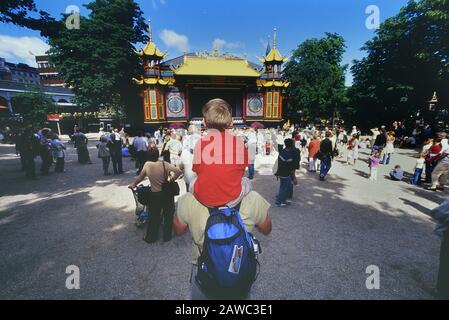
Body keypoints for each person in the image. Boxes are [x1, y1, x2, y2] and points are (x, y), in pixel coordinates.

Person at [173, 190, 272, 300]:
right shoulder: (253, 198)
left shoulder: (188, 199)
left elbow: (178, 230)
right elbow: (266, 229)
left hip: (204, 268)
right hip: (239, 271)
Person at [191, 99, 250, 209]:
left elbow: (197, 171)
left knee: (192, 182)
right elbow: (241, 172)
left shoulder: (200, 143)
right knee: (247, 181)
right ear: (231, 121)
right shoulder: (239, 142)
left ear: (204, 122)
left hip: (205, 199)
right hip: (232, 198)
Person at [129, 147, 182, 243]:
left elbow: (140, 178)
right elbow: (179, 171)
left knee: (154, 216)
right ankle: (167, 236)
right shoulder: (164, 164)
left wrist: (133, 184)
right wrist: (172, 179)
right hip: (167, 194)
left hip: (155, 194)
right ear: (158, 155)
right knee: (168, 215)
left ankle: (151, 237)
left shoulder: (147, 165)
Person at [274, 138, 297, 207]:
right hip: (286, 173)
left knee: (282, 186)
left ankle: (282, 200)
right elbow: (291, 167)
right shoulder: (290, 155)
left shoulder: (282, 151)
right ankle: (279, 202)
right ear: (291, 145)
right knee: (284, 188)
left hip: (280, 172)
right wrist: (294, 177)